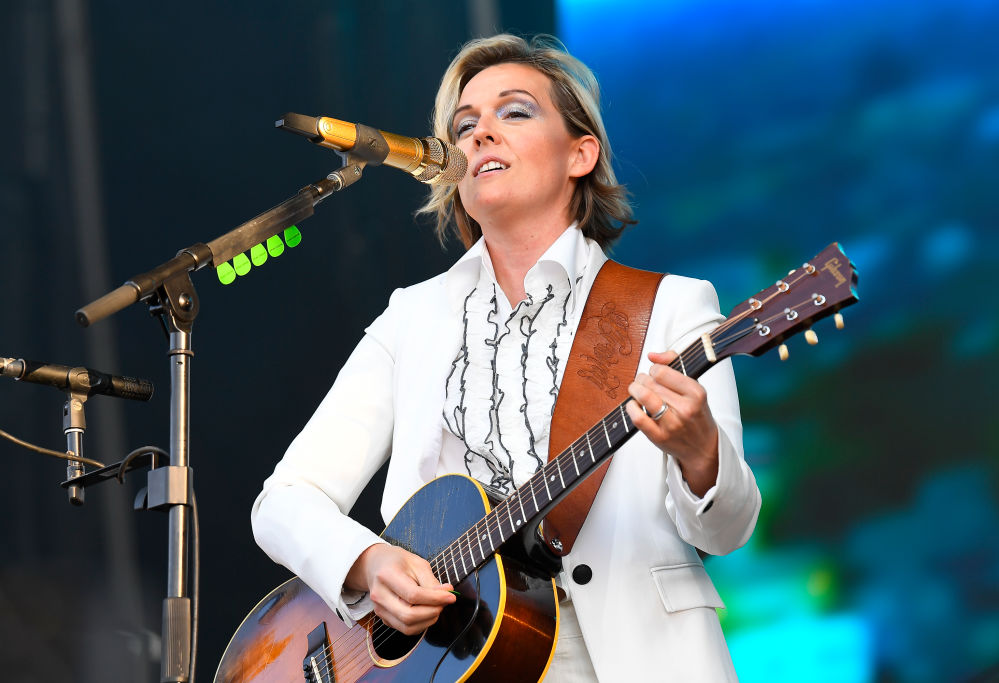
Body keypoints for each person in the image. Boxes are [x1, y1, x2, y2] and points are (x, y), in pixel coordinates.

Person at [252, 33, 761, 682]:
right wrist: (369, 564)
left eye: (515, 111)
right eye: (464, 126)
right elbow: (284, 501)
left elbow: (727, 530)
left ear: (581, 153)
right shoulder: (412, 318)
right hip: (458, 665)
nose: (481, 133)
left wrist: (700, 453)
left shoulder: (670, 307)